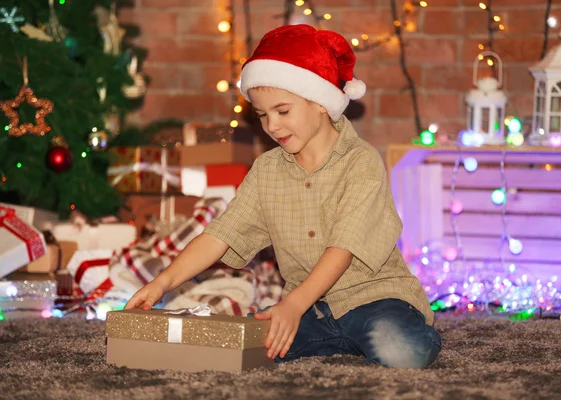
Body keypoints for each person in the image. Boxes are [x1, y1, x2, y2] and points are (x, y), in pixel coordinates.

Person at [125, 24, 442, 369]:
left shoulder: (361, 161)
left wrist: (292, 304)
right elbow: (221, 234)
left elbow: (343, 249)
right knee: (237, 348)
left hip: (375, 300)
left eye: (283, 111)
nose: (272, 126)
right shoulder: (266, 170)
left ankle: (408, 331)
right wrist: (162, 282)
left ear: (321, 103)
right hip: (312, 310)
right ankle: (329, 340)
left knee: (402, 349)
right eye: (263, 115)